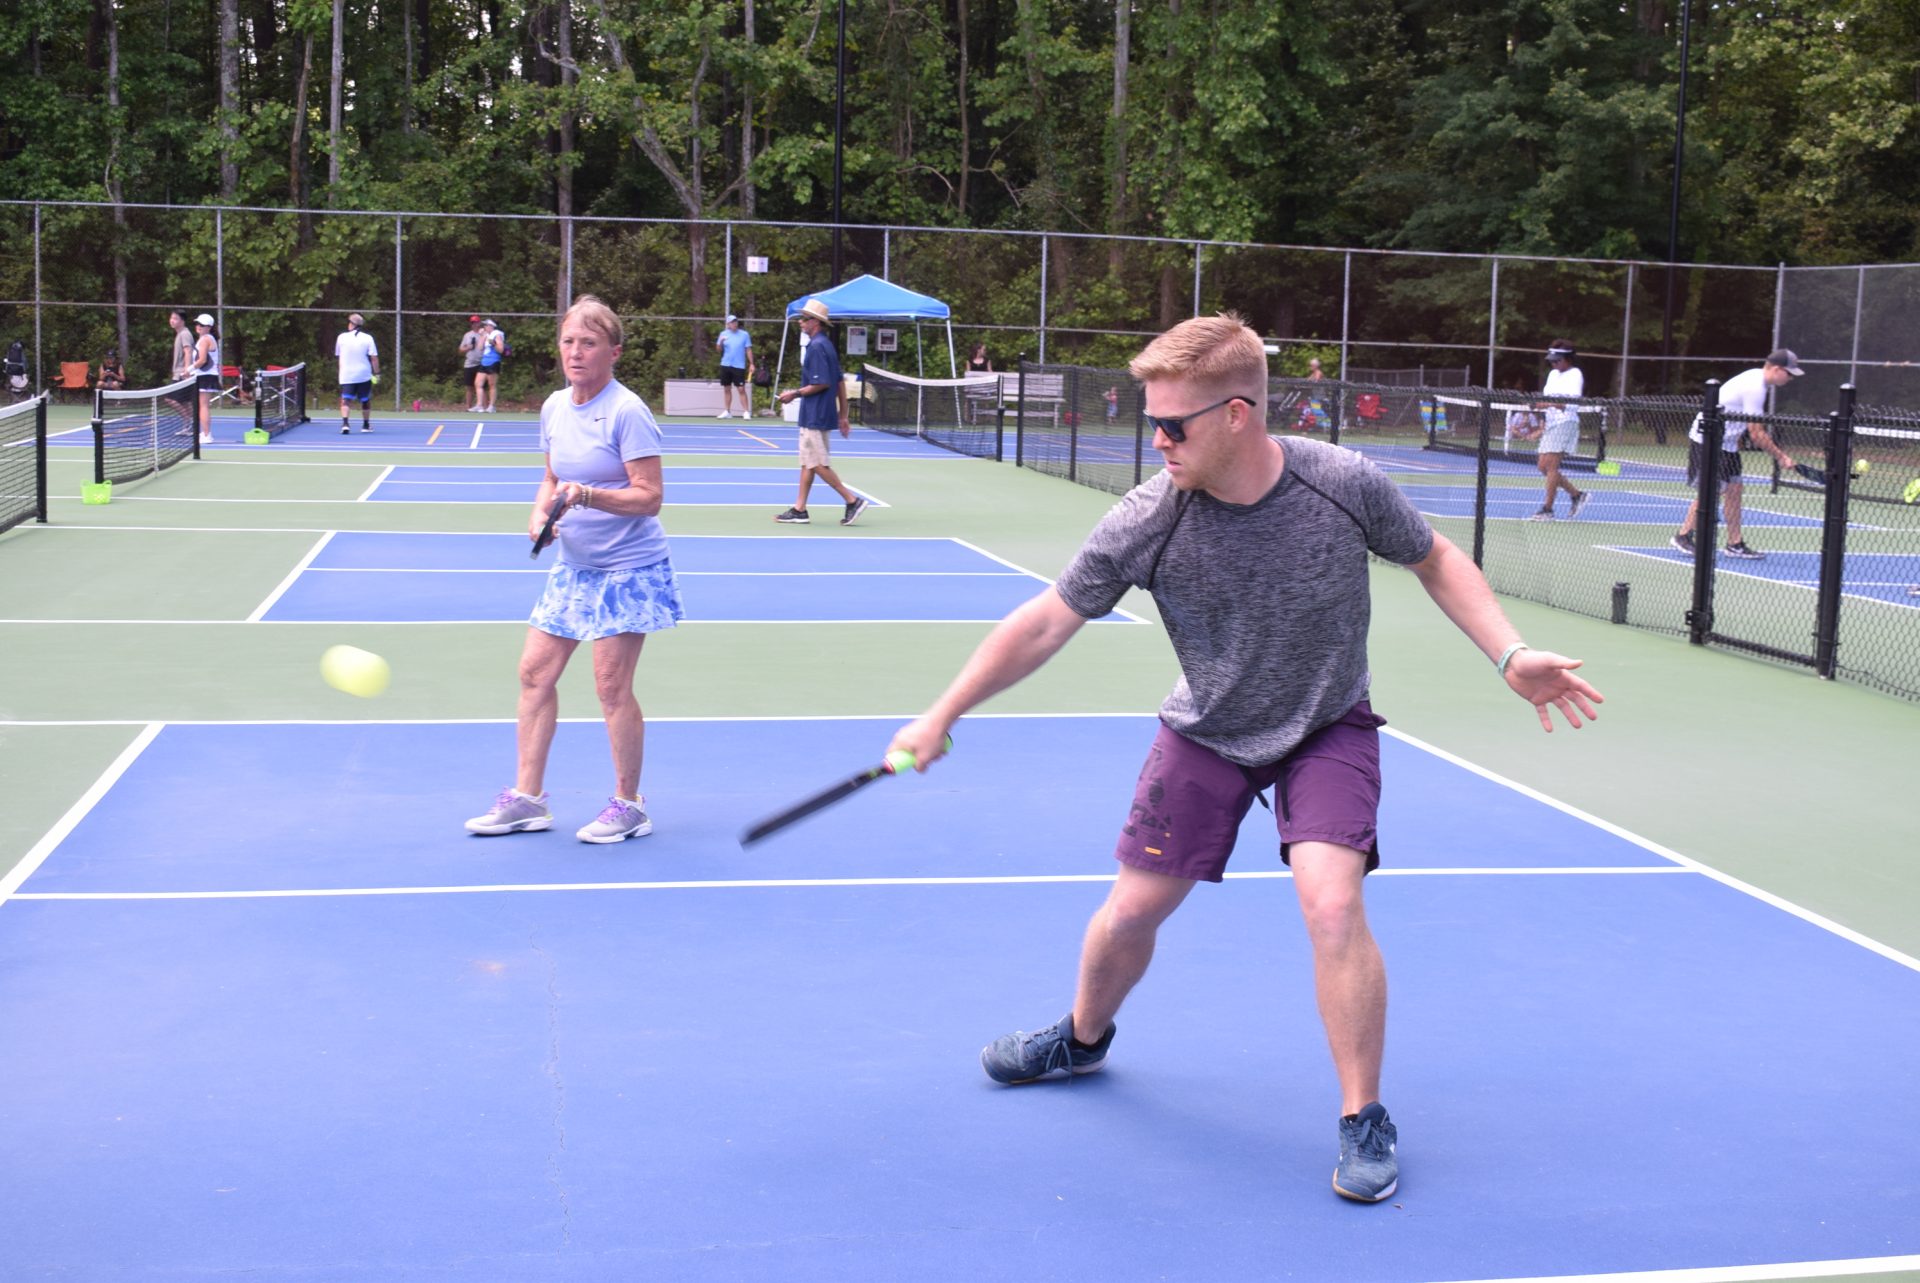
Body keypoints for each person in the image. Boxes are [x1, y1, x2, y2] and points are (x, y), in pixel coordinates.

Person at [886, 312, 1602, 1204]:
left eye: (1172, 424)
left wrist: (1509, 653)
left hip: (1326, 725)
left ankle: (1363, 1115)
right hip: (1207, 730)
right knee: (1131, 911)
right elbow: (1045, 621)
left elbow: (1435, 557)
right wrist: (943, 711)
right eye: (1151, 420)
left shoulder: (1340, 482)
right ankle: (1081, 1035)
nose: (1157, 440)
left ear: (1236, 414)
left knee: (1332, 904)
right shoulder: (1150, 516)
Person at [465, 294, 684, 844]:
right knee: (534, 674)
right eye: (568, 341)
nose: (576, 352)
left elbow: (650, 497)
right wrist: (540, 514)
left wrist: (588, 495)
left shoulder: (628, 411)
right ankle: (528, 800)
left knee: (610, 686)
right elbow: (550, 477)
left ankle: (630, 806)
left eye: (588, 342)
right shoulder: (555, 407)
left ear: (614, 352)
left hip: (629, 568)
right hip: (575, 565)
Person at [1670, 349, 1801, 559]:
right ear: (1777, 369)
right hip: (1709, 441)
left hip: (1727, 444)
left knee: (1734, 489)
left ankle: (1735, 544)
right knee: (1711, 492)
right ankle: (1683, 536)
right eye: (1789, 373)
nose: (1791, 378)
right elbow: (1756, 434)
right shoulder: (1755, 387)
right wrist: (1781, 457)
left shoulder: (1758, 381)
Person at [774, 297, 870, 526]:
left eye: (804, 319)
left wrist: (794, 394)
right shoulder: (826, 345)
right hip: (819, 413)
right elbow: (839, 382)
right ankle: (799, 509)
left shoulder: (817, 347)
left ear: (815, 322)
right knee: (808, 461)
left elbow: (822, 383)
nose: (800, 322)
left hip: (814, 414)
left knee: (817, 463)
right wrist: (843, 415)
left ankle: (852, 500)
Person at [1526, 340, 1589, 521]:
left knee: (1551, 466)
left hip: (1565, 422)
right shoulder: (1553, 375)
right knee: (1542, 466)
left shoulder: (1575, 374)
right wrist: (1539, 407)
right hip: (1552, 423)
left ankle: (1547, 509)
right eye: (1552, 361)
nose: (1553, 364)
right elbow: (1547, 399)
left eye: (1557, 360)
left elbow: (1571, 403)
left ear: (1568, 359)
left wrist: (1548, 404)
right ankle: (1577, 495)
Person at [335, 313, 380, 434]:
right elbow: (374, 358)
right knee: (365, 400)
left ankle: (345, 424)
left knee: (346, 399)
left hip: (347, 375)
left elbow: (339, 356)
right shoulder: (368, 338)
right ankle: (365, 425)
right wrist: (377, 373)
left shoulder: (341, 337)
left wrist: (341, 372)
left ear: (352, 324)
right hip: (363, 374)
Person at [714, 314, 755, 418]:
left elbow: (748, 350)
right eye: (732, 322)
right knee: (726, 388)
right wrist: (721, 341)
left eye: (735, 321)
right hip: (725, 364)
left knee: (741, 389)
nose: (735, 324)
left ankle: (746, 412)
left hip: (739, 366)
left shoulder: (744, 334)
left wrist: (751, 364)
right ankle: (727, 412)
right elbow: (718, 350)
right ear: (728, 324)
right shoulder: (723, 334)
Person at [188, 314, 220, 444]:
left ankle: (207, 435)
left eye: (201, 325)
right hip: (204, 376)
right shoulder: (206, 339)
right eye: (197, 324)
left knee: (204, 406)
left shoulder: (205, 339)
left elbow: (202, 360)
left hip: (205, 377)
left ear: (209, 327)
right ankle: (205, 433)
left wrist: (188, 370)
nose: (198, 327)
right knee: (202, 405)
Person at [474, 319, 504, 413]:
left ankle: (491, 406)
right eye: (484, 325)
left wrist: (492, 342)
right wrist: (482, 336)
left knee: (492, 385)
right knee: (478, 383)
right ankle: (479, 405)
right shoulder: (486, 335)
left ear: (491, 326)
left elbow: (501, 349)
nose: (484, 327)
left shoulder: (497, 334)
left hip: (493, 361)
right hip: (484, 362)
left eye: (486, 325)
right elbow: (479, 348)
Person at [457, 315, 485, 411]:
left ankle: (484, 408)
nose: (474, 324)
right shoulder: (467, 335)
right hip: (469, 364)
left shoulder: (484, 334)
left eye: (476, 322)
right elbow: (460, 350)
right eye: (472, 322)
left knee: (482, 386)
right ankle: (469, 408)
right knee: (469, 387)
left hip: (482, 363)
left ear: (479, 323)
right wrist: (468, 347)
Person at [168, 309, 195, 383]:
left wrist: (187, 370)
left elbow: (188, 351)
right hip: (178, 375)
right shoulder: (180, 334)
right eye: (171, 318)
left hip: (182, 375)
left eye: (175, 319)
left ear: (182, 321)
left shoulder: (184, 334)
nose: (172, 321)